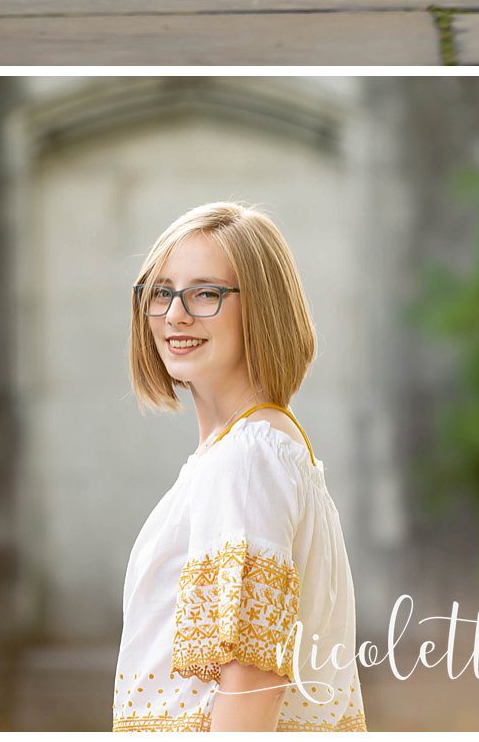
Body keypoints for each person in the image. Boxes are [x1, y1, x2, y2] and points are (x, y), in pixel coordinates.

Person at [115, 201, 364, 734]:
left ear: (264, 308)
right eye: (161, 292)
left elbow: (252, 676)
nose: (175, 314)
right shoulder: (249, 451)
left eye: (206, 293)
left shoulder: (249, 459)